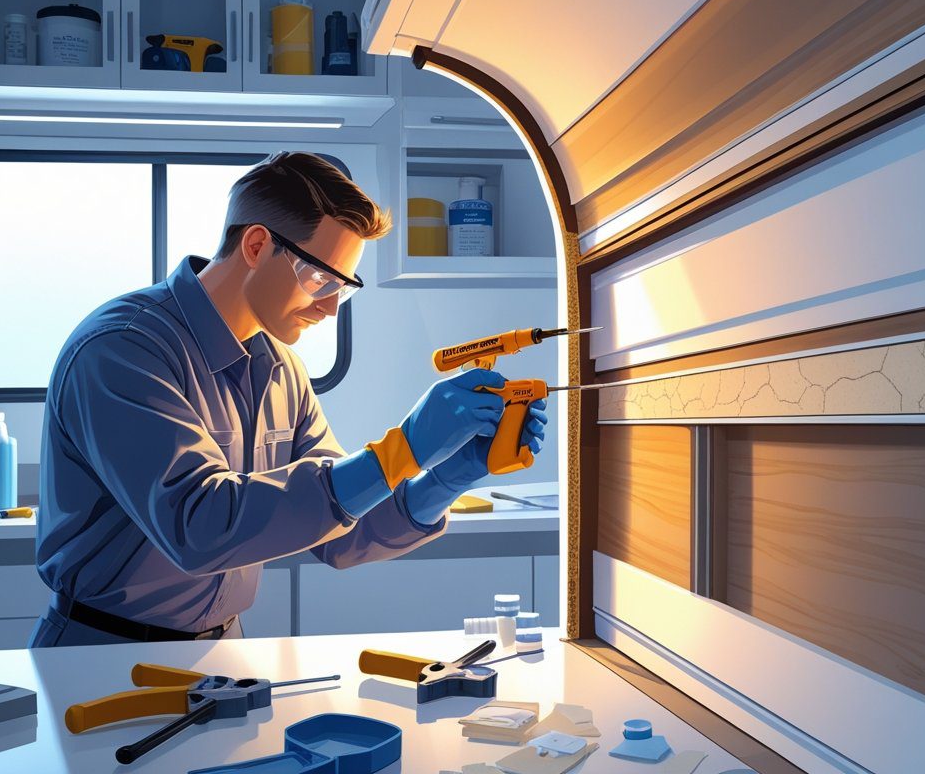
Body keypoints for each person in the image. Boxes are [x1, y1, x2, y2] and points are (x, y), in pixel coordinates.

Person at [29, 151, 547, 647]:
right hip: (102, 648)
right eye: (320, 277)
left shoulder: (280, 369)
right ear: (257, 246)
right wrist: (402, 449)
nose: (327, 307)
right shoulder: (124, 349)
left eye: (342, 287)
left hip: (224, 649)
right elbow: (199, 525)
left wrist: (444, 476)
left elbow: (340, 529)